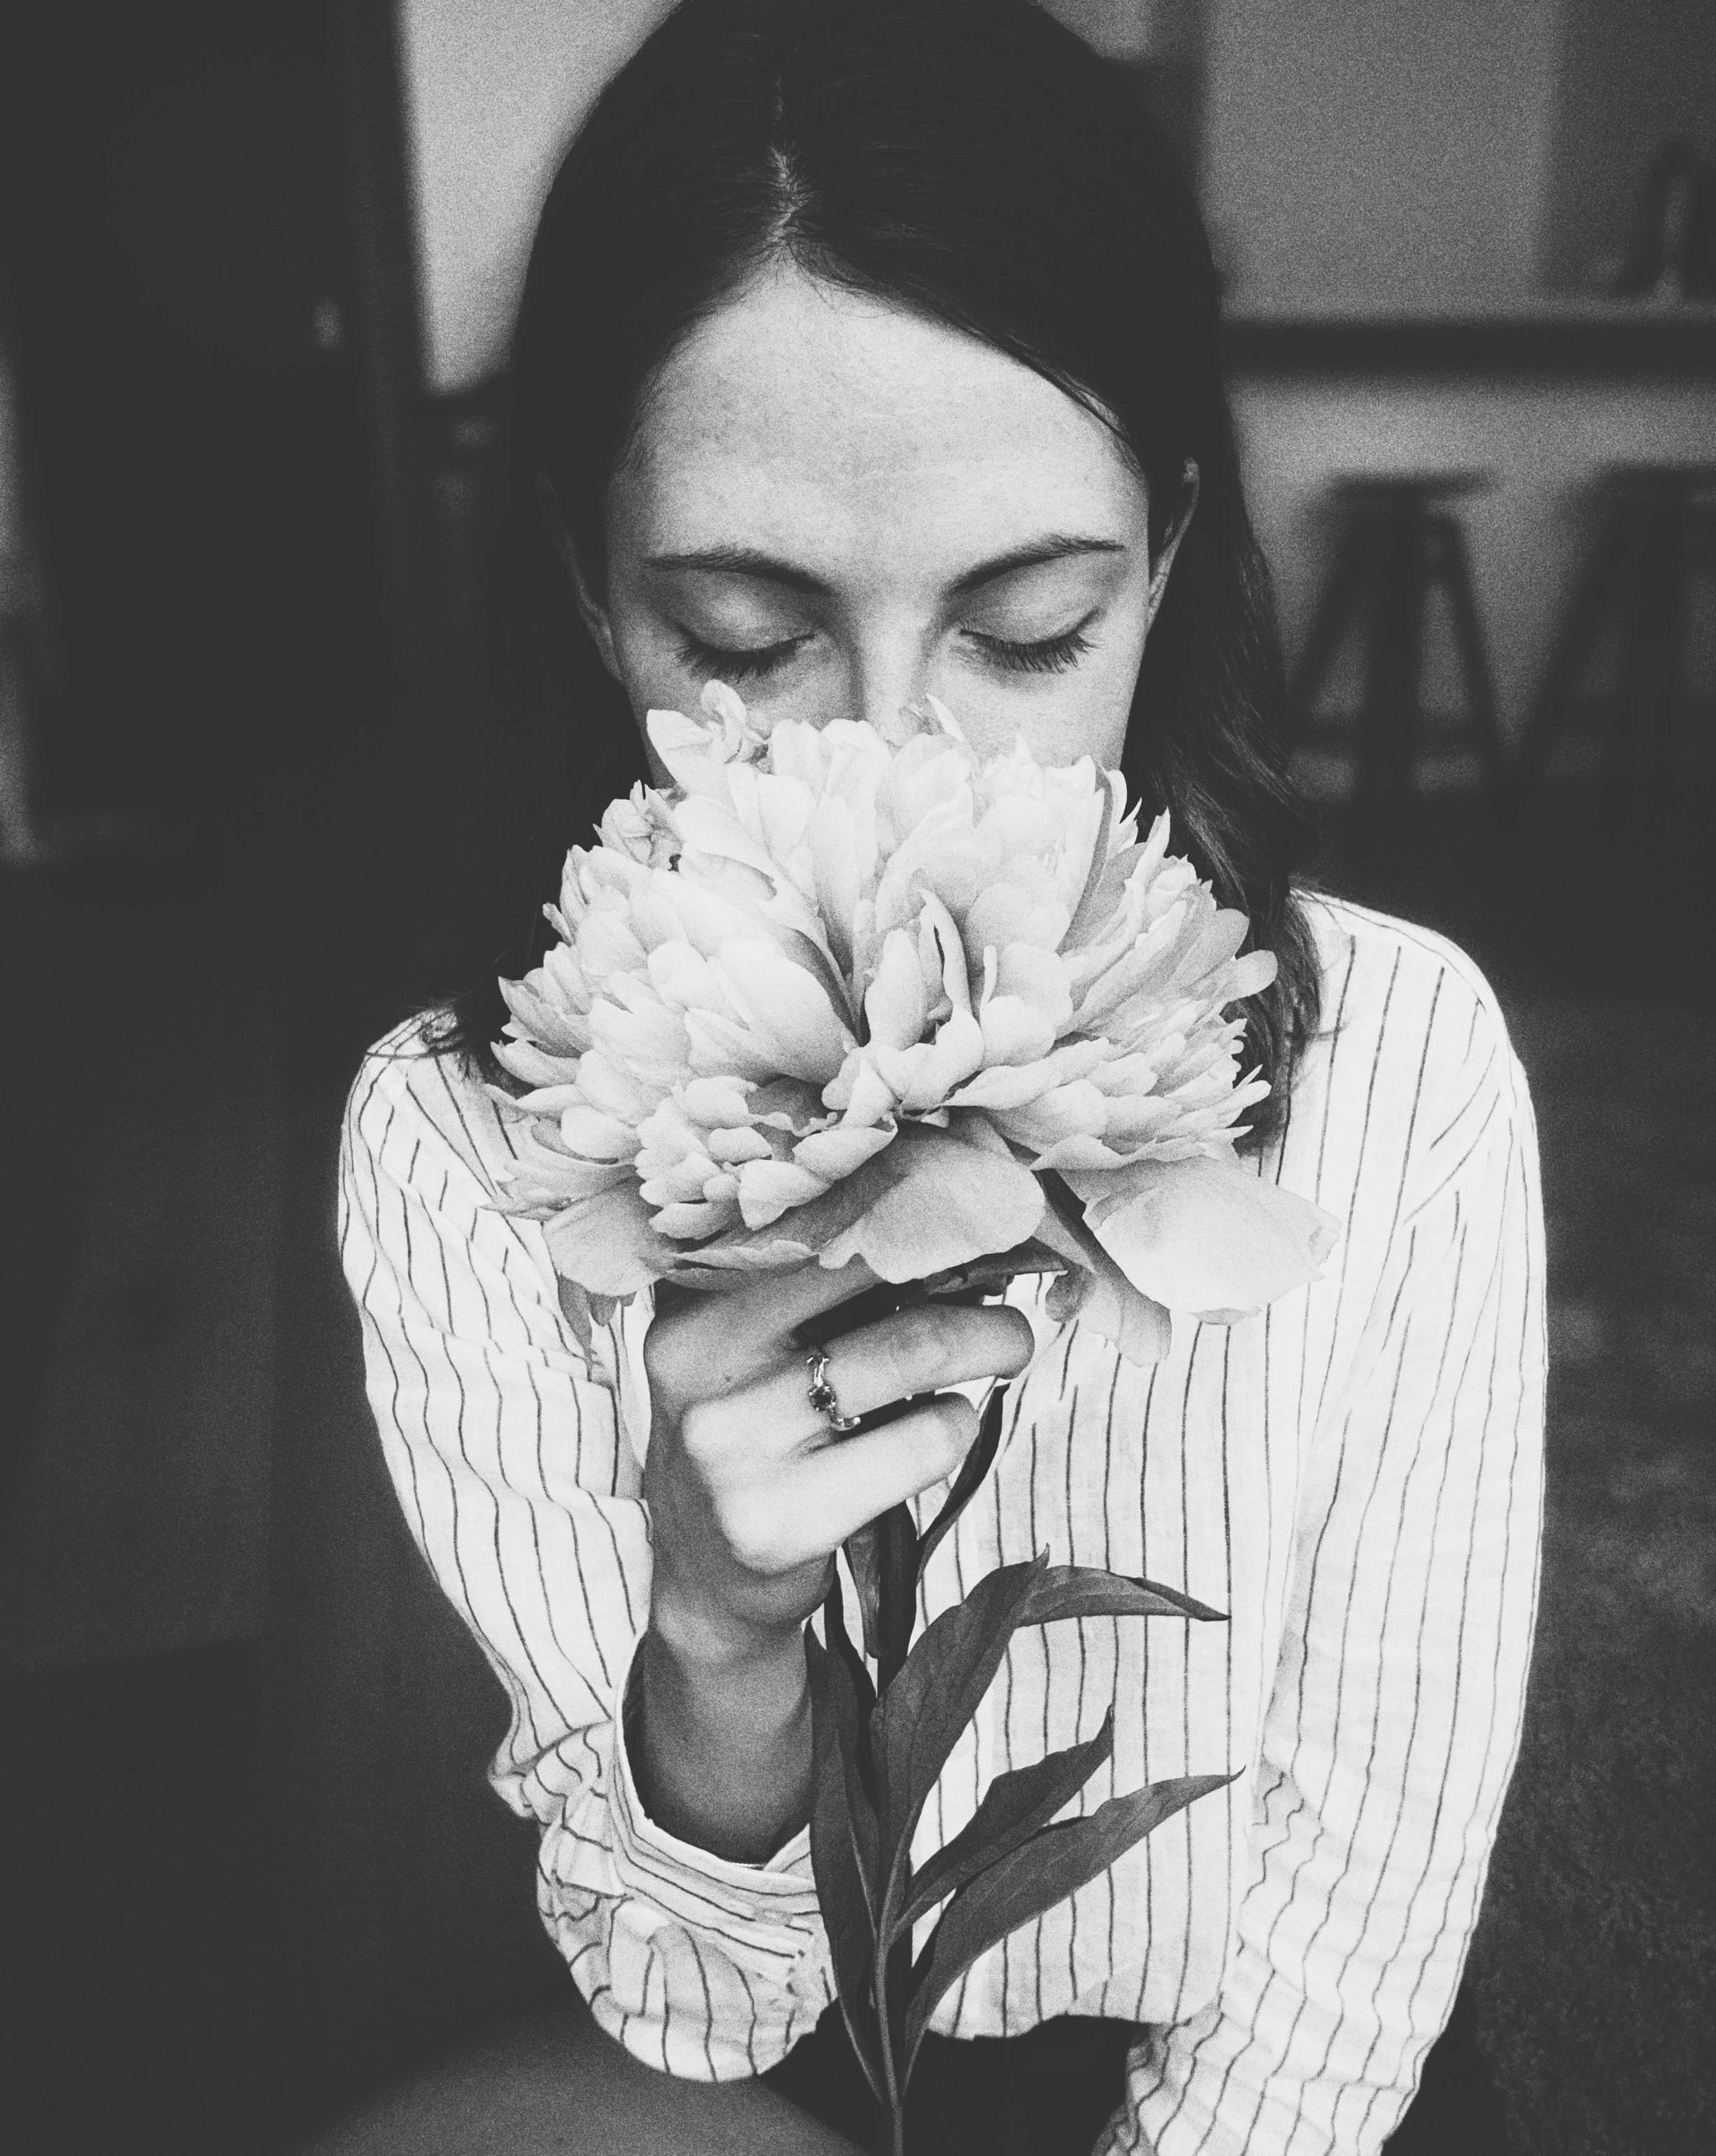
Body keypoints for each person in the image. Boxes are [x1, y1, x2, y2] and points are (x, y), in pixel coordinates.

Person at [327, 3, 1544, 2149]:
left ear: (1163, 555)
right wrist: (713, 1642)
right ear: (590, 592)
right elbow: (693, 2011)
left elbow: (1351, 1937)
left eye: (1028, 623)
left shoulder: (1401, 1068)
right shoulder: (459, 1143)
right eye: (737, 630)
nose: (892, 763)